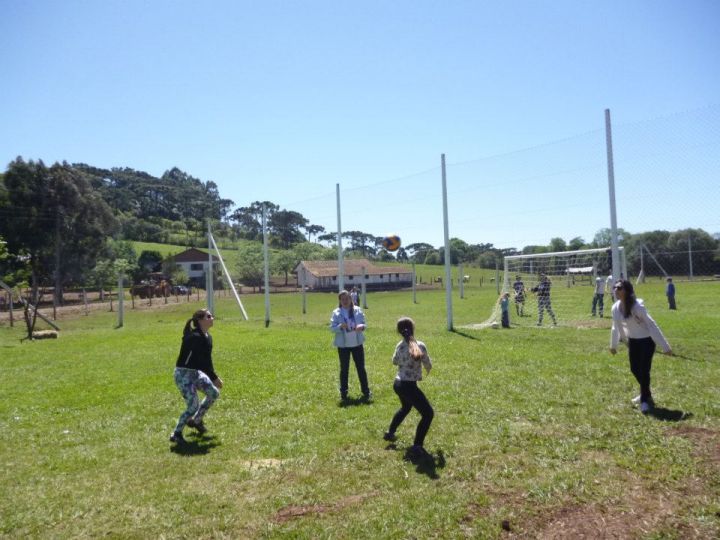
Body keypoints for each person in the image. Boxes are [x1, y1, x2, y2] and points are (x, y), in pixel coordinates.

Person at [610, 280, 673, 414]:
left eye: (619, 288)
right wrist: (613, 345)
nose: (616, 290)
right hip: (633, 342)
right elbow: (615, 327)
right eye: (614, 287)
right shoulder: (615, 308)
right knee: (634, 369)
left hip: (646, 341)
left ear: (627, 290)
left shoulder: (638, 307)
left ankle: (644, 400)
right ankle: (646, 392)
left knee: (644, 371)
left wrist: (665, 346)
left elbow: (651, 325)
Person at [170, 308, 223, 443]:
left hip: (196, 372)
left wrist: (213, 377)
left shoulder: (207, 337)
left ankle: (196, 421)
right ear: (200, 321)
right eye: (208, 316)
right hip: (183, 374)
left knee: (213, 393)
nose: (212, 318)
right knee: (193, 406)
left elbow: (207, 360)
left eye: (212, 316)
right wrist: (214, 377)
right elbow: (201, 362)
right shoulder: (195, 337)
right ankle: (176, 434)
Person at [384, 317, 433, 457]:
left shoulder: (399, 346)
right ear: (413, 329)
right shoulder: (420, 345)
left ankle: (390, 432)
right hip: (408, 386)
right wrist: (427, 369)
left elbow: (394, 361)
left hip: (398, 384)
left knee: (406, 407)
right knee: (428, 414)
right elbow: (427, 364)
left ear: (399, 332)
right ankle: (417, 445)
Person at [330, 290, 371, 401]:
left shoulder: (357, 310)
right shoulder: (336, 312)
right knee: (344, 369)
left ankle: (366, 391)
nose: (345, 301)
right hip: (343, 346)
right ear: (340, 300)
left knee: (361, 368)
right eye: (342, 299)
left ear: (351, 299)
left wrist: (361, 326)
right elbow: (331, 328)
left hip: (357, 344)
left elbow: (364, 324)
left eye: (347, 298)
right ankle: (343, 393)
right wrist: (339, 326)